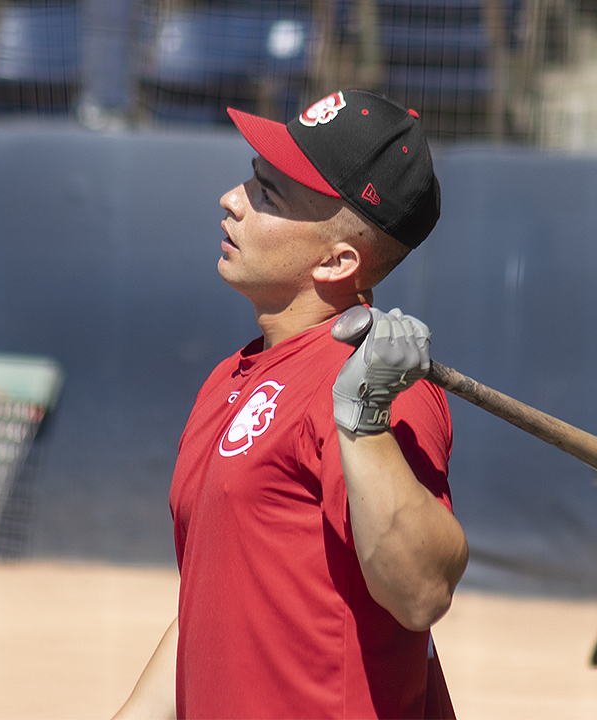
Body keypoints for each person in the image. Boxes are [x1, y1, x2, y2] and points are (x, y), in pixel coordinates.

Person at [113, 89, 469, 720]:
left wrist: (364, 419)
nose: (231, 199)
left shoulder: (378, 389)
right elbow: (217, 604)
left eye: (267, 194)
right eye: (252, 179)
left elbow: (421, 593)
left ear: (338, 260)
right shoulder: (232, 375)